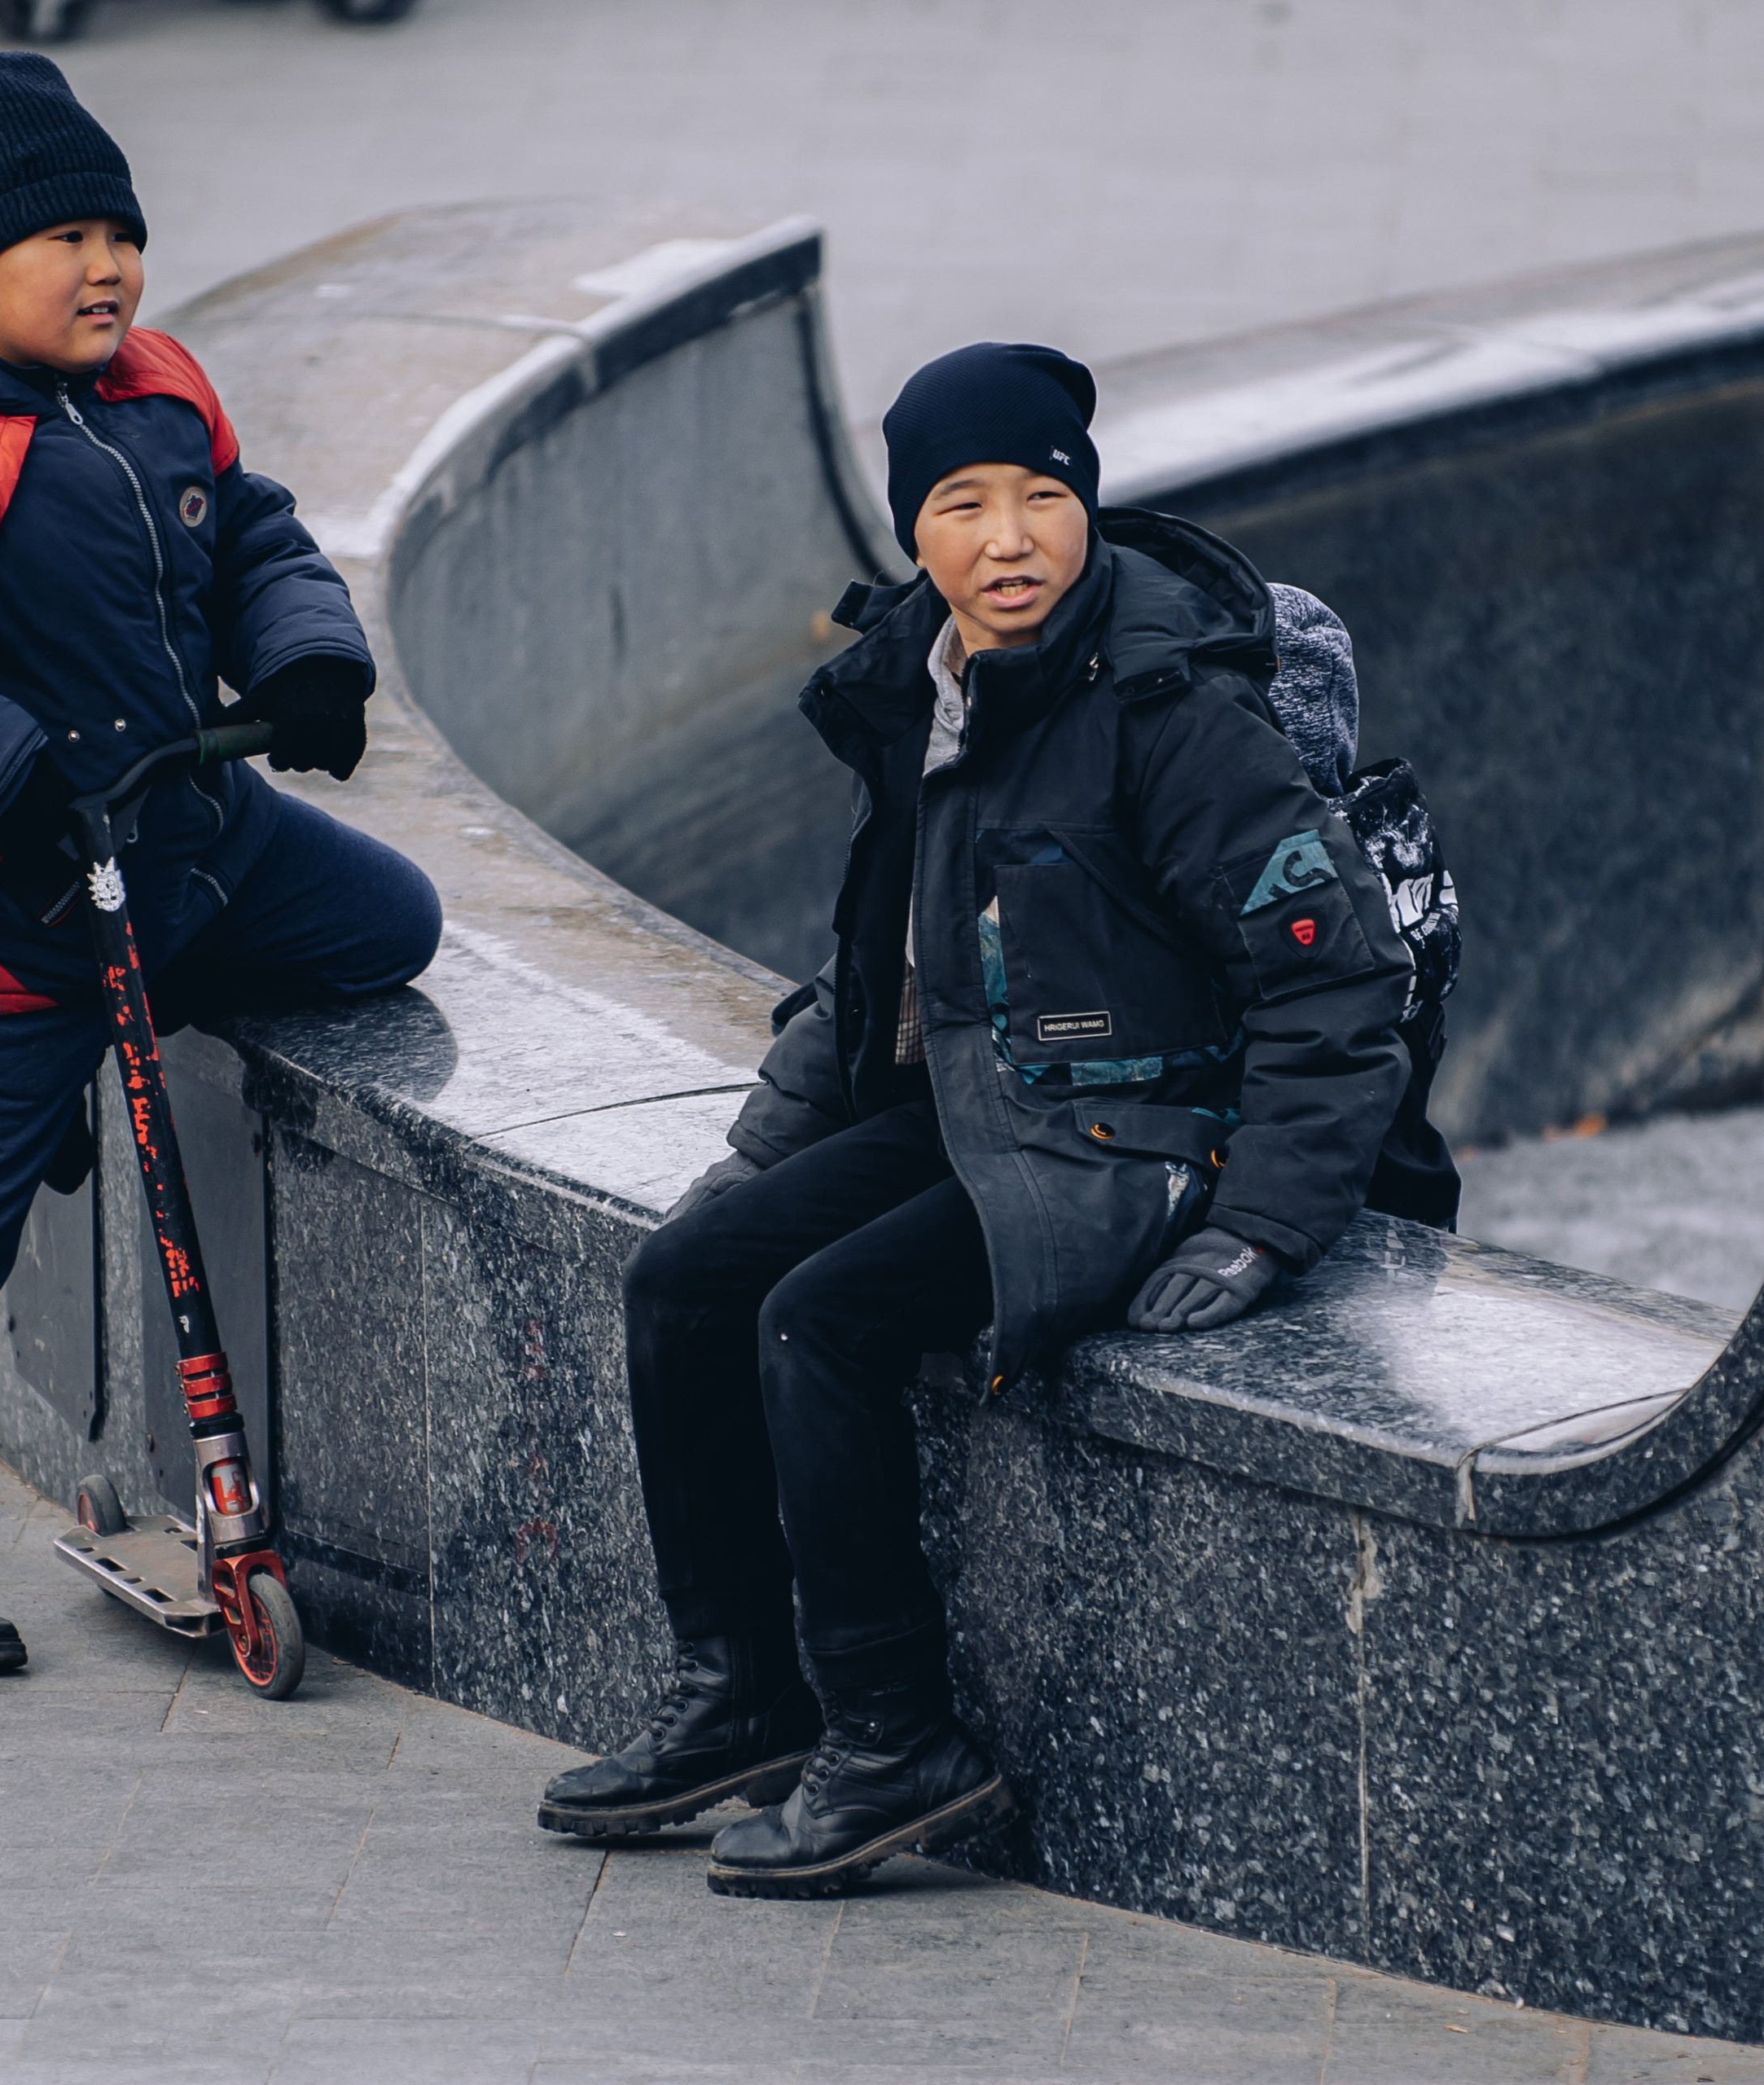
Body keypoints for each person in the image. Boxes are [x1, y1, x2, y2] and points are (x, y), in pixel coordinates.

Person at [538, 341, 1415, 1897]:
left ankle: (893, 1739)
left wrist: (1266, 1222)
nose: (1009, 540)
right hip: (981, 1108)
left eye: (1043, 497)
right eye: (963, 504)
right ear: (911, 531)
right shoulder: (917, 686)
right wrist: (759, 1157)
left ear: (1088, 504)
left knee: (821, 1320)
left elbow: (1334, 988)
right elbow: (871, 964)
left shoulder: (1175, 708)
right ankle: (743, 1691)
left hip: (1139, 1139)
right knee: (686, 1282)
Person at [0, 55, 441, 1678]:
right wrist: (8, 773)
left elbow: (248, 527)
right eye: (62, 239)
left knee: (392, 923)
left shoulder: (163, 384)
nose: (107, 265)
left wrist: (305, 657)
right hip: (18, 900)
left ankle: (141, 991)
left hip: (187, 836)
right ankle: (91, 1013)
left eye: (123, 229)